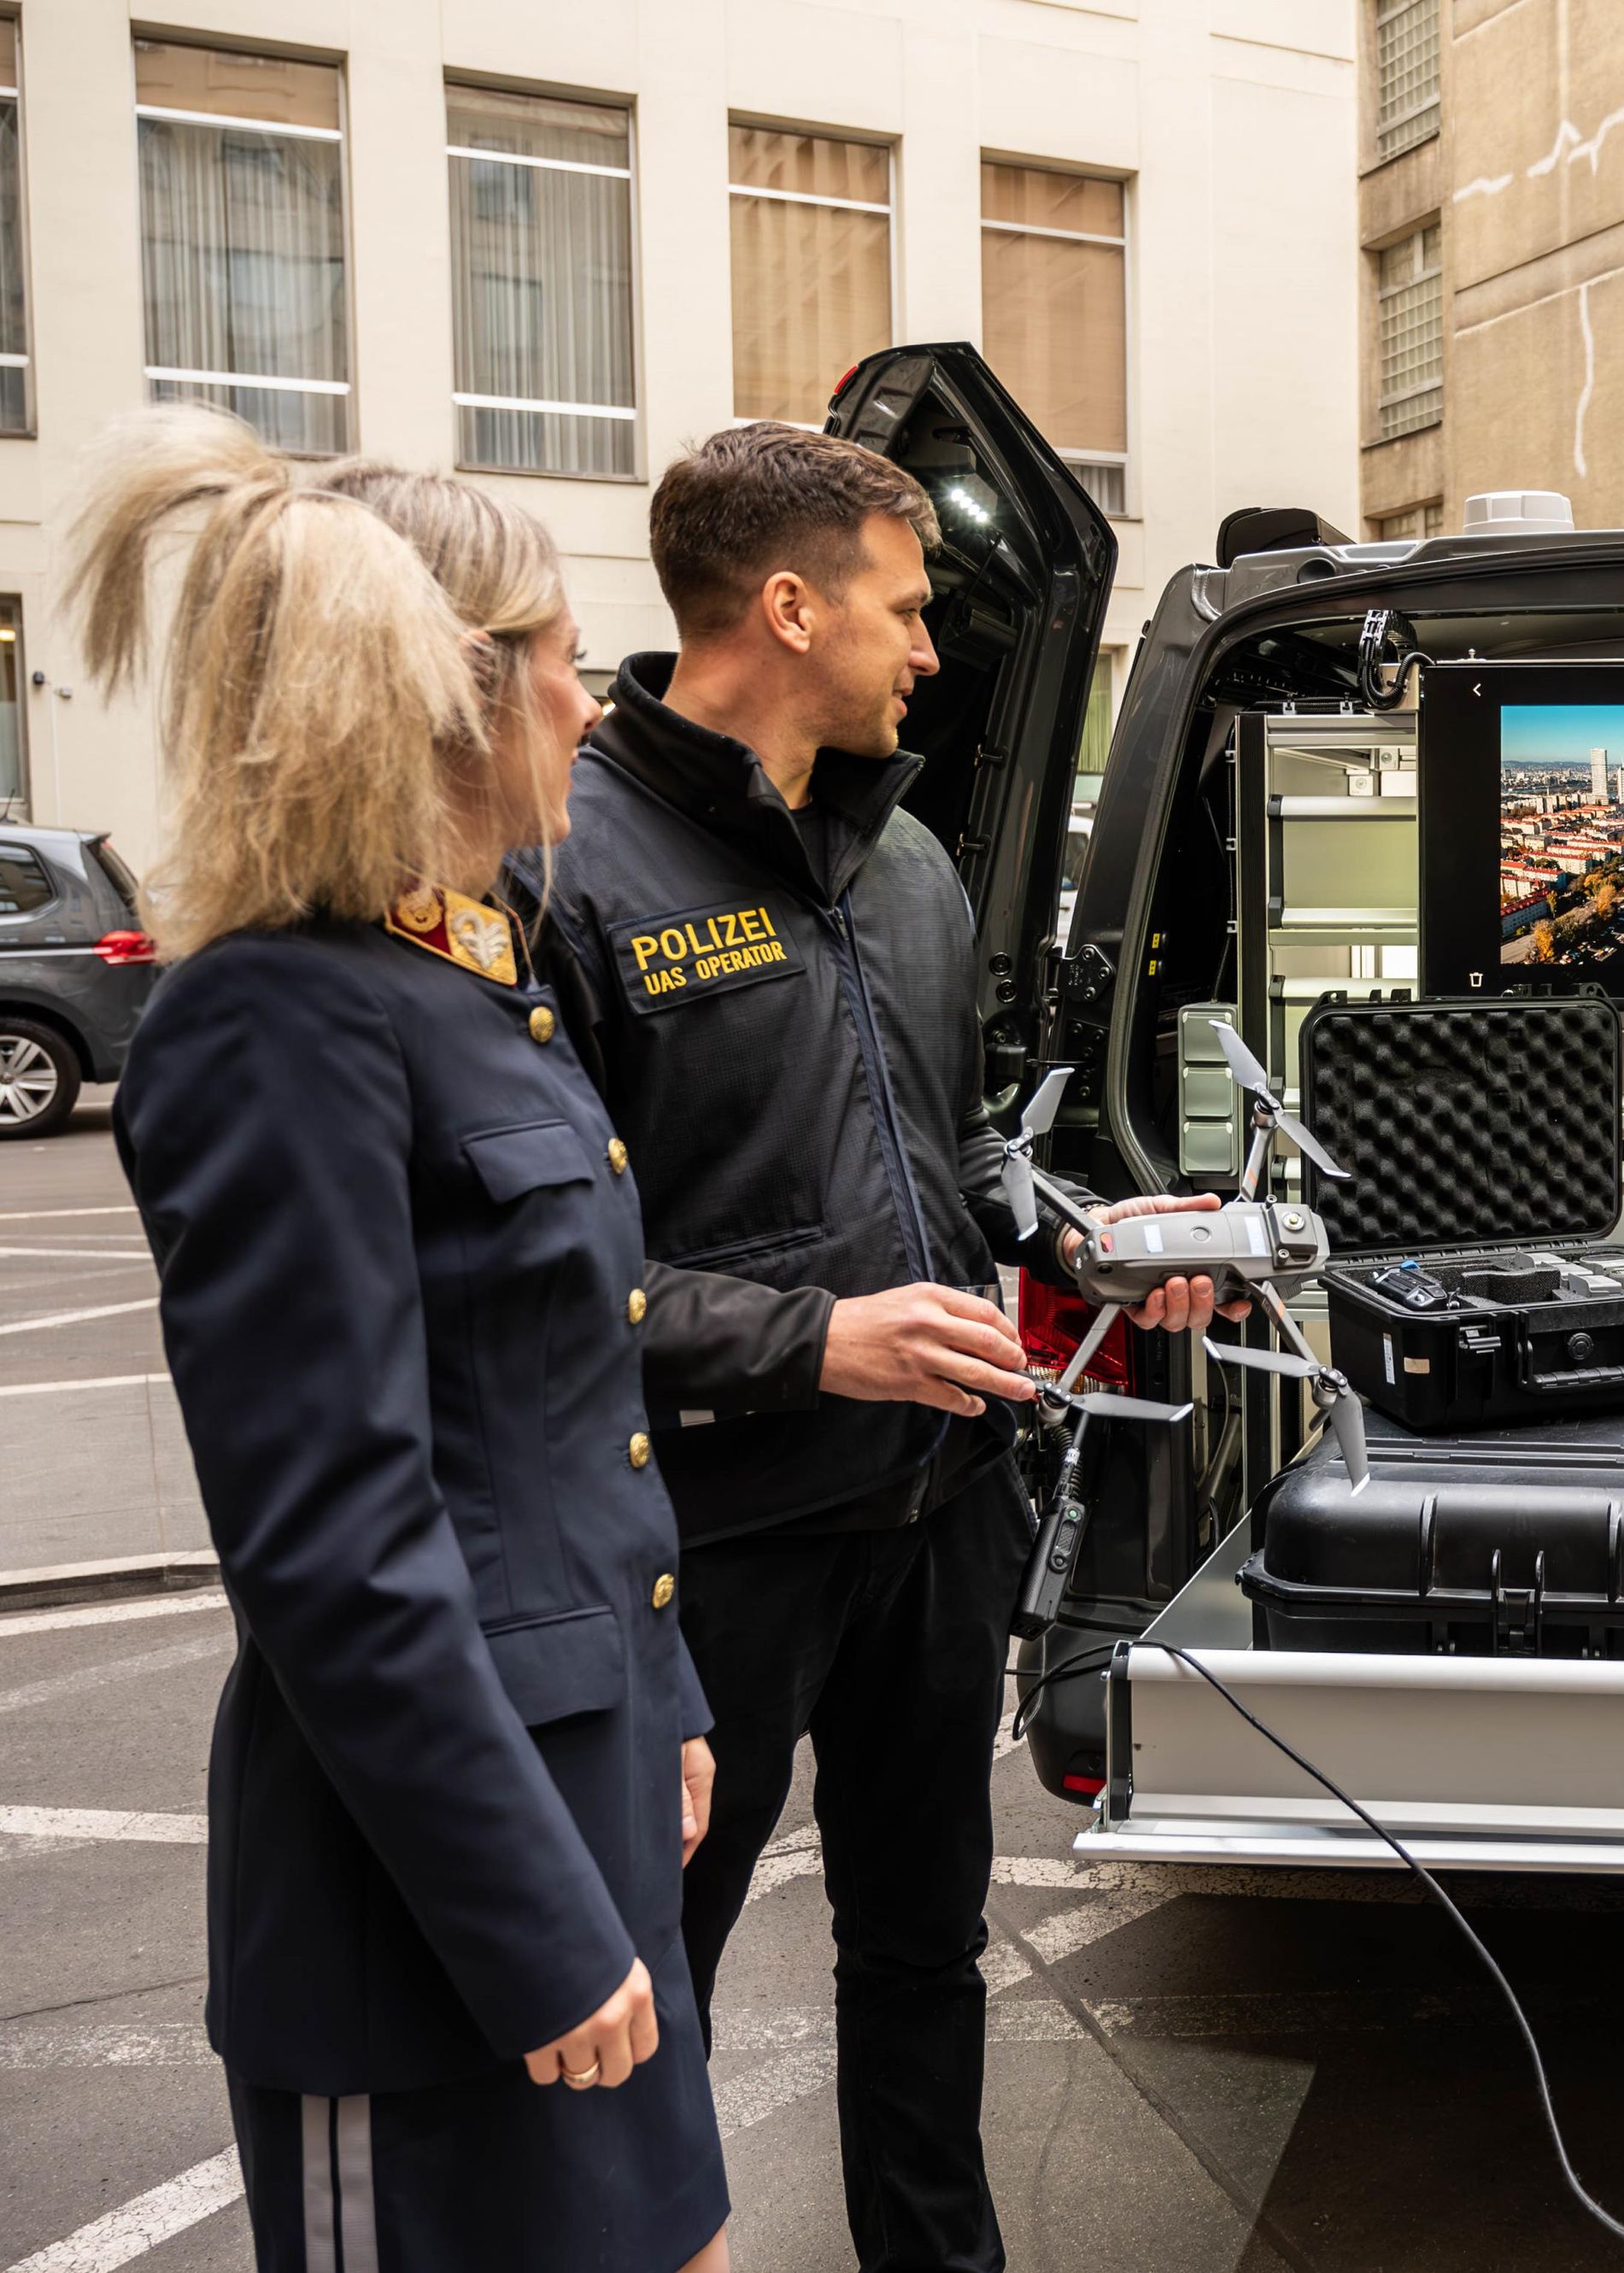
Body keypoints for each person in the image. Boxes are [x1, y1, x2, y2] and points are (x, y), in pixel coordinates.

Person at [502, 422, 1217, 2273]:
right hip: (713, 1547)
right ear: (787, 602)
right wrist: (816, 1338)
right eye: (905, 611)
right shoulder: (568, 870)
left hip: (936, 1511)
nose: (928, 651)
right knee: (647, 1967)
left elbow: (955, 1144)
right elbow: (539, 1280)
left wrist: (1082, 1232)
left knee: (923, 1946)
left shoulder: (902, 859)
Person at [83, 409, 731, 2270]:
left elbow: (562, 1409)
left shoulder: (469, 972)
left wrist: (667, 1705)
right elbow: (335, 1546)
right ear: (450, 693)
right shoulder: (276, 1021)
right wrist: (529, 1920)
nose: (590, 705)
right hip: (429, 1911)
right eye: (560, 659)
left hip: (581, 1802)